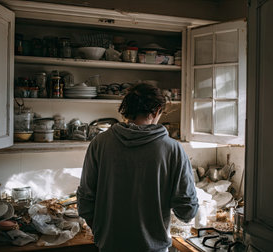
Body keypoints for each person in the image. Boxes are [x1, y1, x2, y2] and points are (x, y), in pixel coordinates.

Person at [77, 83, 198, 252]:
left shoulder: (100, 143)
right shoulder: (172, 149)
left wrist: (102, 231)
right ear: (156, 111)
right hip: (152, 248)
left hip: (110, 245)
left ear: (126, 110)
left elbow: (85, 200)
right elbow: (187, 210)